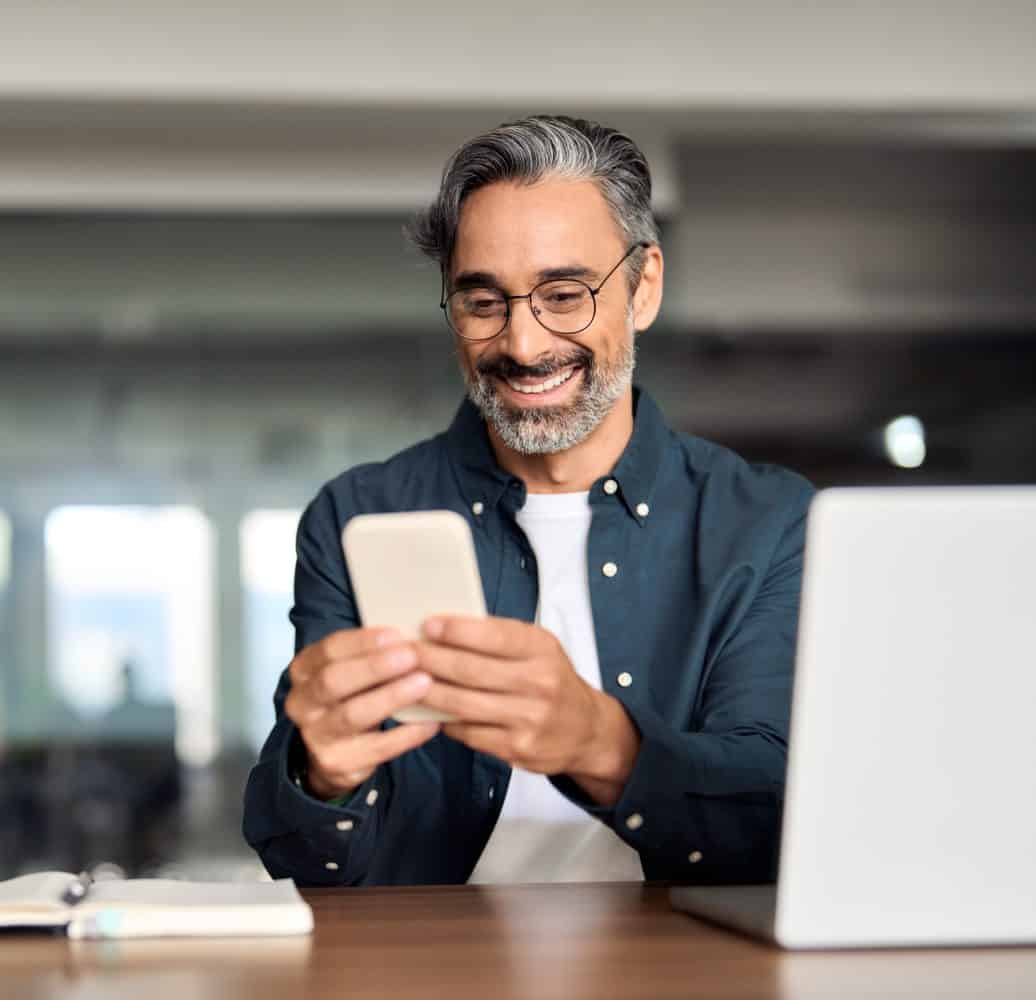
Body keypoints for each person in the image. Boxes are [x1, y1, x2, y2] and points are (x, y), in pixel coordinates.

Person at [242, 115, 813, 886]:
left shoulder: (769, 526)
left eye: (564, 294)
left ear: (643, 287)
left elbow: (782, 818)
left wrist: (599, 744)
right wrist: (321, 777)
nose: (523, 344)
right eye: (483, 302)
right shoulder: (358, 516)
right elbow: (305, 861)